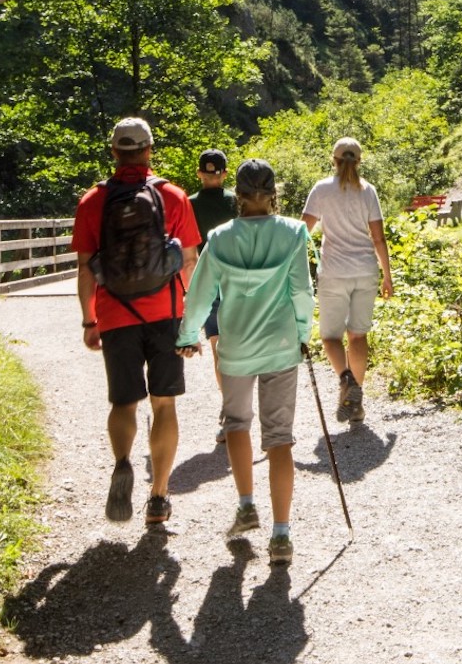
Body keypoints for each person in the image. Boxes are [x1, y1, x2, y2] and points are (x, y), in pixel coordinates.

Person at [175, 159, 313, 567]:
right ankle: (282, 535)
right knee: (280, 437)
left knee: (237, 423)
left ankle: (246, 505)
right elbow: (302, 291)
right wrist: (303, 335)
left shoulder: (219, 238)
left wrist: (186, 337)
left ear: (238, 194)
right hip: (281, 344)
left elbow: (199, 295)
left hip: (236, 344)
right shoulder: (293, 233)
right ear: (273, 193)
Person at [73, 116, 200, 526]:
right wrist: (190, 320)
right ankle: (159, 496)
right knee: (164, 403)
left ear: (114, 152)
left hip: (115, 315)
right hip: (165, 313)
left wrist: (89, 321)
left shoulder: (93, 201)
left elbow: (85, 268)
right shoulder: (173, 196)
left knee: (124, 401)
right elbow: (189, 262)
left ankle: (124, 463)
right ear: (149, 151)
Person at [301, 136, 394, 424]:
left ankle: (346, 381)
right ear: (360, 161)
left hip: (334, 272)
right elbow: (378, 238)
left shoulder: (322, 189)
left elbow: (302, 231)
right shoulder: (368, 191)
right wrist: (387, 276)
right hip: (365, 270)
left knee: (330, 337)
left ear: (334, 160)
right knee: (358, 335)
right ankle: (356, 398)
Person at [189, 148, 238, 443]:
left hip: (209, 282)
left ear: (199, 175)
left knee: (217, 345)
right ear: (225, 173)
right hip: (238, 281)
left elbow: (189, 251)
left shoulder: (189, 204)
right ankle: (238, 406)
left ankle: (229, 408)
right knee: (238, 343)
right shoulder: (236, 201)